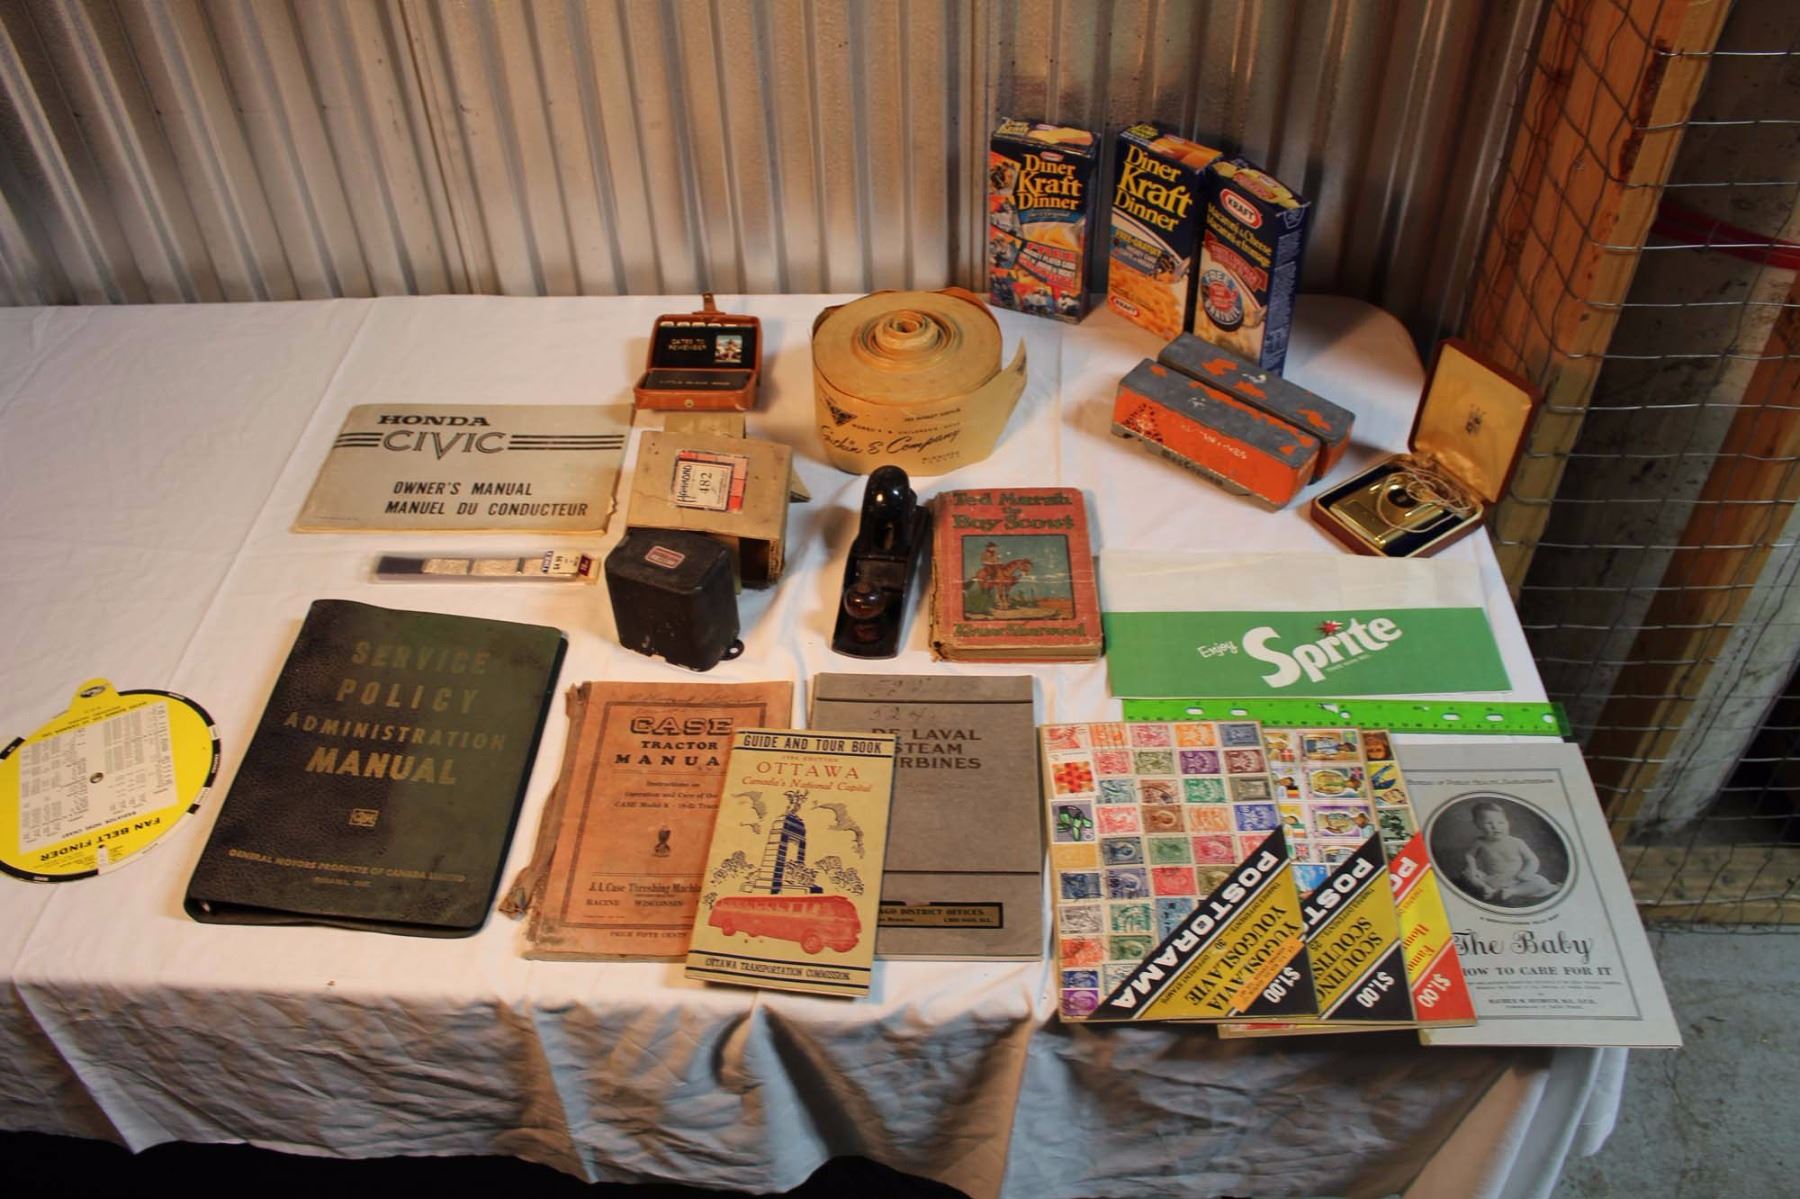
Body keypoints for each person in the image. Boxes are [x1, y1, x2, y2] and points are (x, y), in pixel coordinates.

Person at [1463, 801, 1556, 903]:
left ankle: (1512, 891)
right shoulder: (1479, 842)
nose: (1495, 827)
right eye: (1489, 823)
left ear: (1508, 823)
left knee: (1541, 882)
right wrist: (1473, 868)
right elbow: (1469, 855)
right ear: (1478, 825)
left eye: (1501, 822)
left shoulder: (1517, 842)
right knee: (1467, 874)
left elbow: (1532, 859)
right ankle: (1485, 889)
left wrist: (1526, 873)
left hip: (1517, 880)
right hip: (1493, 879)